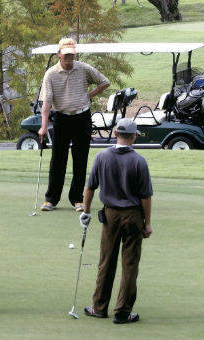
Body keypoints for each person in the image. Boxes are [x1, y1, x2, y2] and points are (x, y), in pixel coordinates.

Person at [79, 118, 153, 324]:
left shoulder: (101, 157)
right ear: (133, 136)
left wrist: (86, 212)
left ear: (114, 133)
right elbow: (146, 196)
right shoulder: (139, 161)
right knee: (129, 264)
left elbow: (90, 188)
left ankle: (99, 307)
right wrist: (147, 223)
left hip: (110, 215)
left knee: (106, 262)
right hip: (133, 216)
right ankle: (122, 311)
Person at [38, 37, 110, 212]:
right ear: (59, 54)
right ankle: (51, 200)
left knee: (80, 159)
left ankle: (77, 199)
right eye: (66, 55)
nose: (69, 59)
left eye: (72, 55)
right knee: (58, 160)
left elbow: (105, 82)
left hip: (82, 118)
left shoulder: (84, 68)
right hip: (61, 118)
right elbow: (46, 103)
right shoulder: (51, 74)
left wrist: (89, 95)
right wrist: (43, 125)